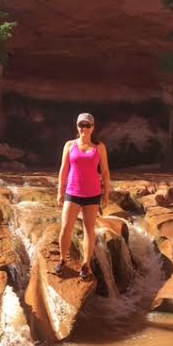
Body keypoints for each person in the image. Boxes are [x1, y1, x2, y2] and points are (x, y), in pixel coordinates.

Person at [55, 112, 111, 280]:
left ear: (93, 127)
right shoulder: (69, 145)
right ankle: (62, 259)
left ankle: (85, 265)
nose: (84, 128)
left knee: (89, 230)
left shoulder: (99, 147)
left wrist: (106, 193)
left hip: (92, 194)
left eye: (88, 125)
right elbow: (63, 169)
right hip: (72, 192)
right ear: (77, 126)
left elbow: (105, 171)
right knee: (66, 228)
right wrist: (60, 191)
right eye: (81, 125)